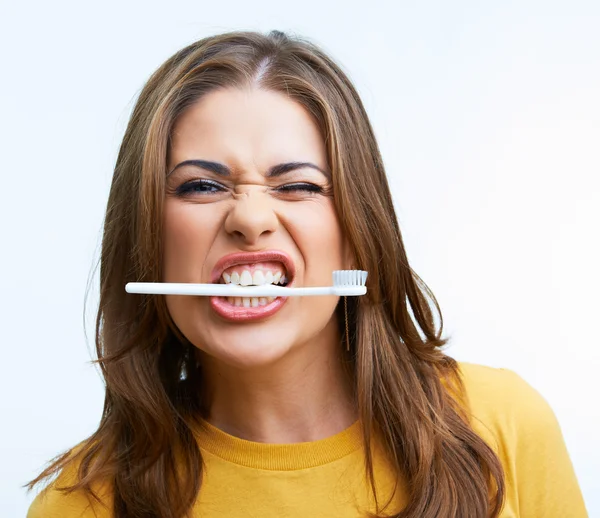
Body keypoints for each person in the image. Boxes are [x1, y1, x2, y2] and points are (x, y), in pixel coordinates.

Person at [25, 30, 587, 518]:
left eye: (297, 185)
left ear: (356, 231)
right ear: (149, 233)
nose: (249, 218)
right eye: (201, 185)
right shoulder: (81, 503)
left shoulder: (502, 422)